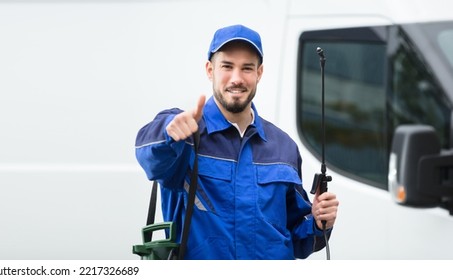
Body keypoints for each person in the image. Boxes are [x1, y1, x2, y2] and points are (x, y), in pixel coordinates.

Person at [134, 24, 339, 259]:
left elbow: (297, 238)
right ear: (210, 70)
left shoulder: (284, 148)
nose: (237, 78)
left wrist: (318, 223)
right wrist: (168, 132)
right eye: (227, 67)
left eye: (247, 68)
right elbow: (150, 156)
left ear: (259, 73)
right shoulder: (184, 136)